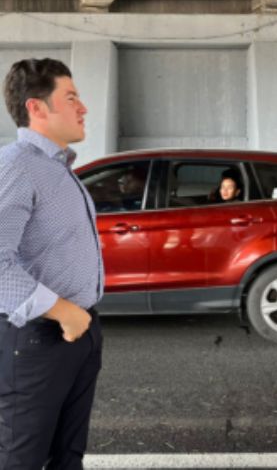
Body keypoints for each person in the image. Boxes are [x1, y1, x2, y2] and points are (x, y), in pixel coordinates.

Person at [0, 58, 103, 468]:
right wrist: (65, 313)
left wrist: (81, 320)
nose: (84, 108)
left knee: (67, 457)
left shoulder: (58, 168)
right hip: (38, 337)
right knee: (22, 460)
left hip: (77, 331)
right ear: (36, 108)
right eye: (71, 97)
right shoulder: (16, 167)